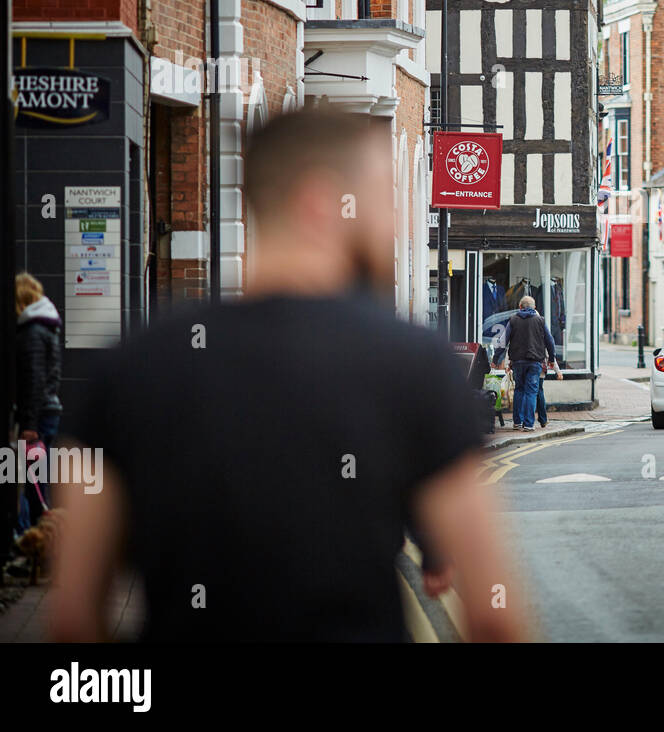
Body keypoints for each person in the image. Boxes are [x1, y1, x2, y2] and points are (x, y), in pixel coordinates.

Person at [50, 109, 527, 642]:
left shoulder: (129, 367)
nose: (393, 223)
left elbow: (73, 619)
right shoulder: (415, 364)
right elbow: (494, 616)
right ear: (321, 202)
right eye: (380, 200)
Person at [14, 273, 63, 531]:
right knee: (36, 479)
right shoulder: (47, 327)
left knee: (28, 479)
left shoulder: (32, 331)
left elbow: (33, 378)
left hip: (37, 414)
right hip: (48, 410)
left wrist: (29, 423)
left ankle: (31, 537)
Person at [492, 296, 560, 432]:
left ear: (520, 306)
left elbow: (503, 341)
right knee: (531, 392)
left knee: (519, 391)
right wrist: (551, 359)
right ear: (534, 308)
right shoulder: (540, 321)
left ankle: (517, 422)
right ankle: (529, 424)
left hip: (517, 362)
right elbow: (550, 341)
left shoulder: (513, 320)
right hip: (535, 362)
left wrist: (495, 359)